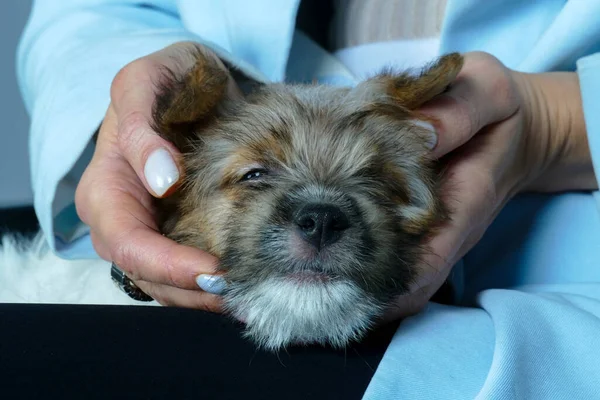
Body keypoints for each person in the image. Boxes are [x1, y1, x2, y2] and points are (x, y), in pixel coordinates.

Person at [15, 0, 600, 398]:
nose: (319, 216)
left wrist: (557, 124)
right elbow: (94, 10)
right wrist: (130, 101)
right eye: (255, 176)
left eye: (380, 181)